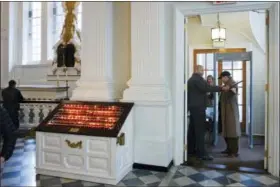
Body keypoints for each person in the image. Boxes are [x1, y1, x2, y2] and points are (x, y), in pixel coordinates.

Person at [187, 65, 229, 161]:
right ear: (197, 70)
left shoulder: (191, 79)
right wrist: (221, 88)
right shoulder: (197, 79)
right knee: (200, 131)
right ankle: (202, 154)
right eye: (201, 70)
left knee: (192, 130)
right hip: (198, 108)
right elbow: (207, 88)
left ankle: (190, 150)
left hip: (193, 108)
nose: (203, 72)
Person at [218, 71, 241, 157]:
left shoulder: (233, 83)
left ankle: (234, 152)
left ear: (226, 77)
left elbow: (235, 91)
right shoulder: (226, 84)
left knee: (232, 131)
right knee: (226, 131)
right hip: (225, 111)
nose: (222, 80)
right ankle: (229, 149)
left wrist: (230, 88)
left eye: (222, 78)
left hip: (231, 111)